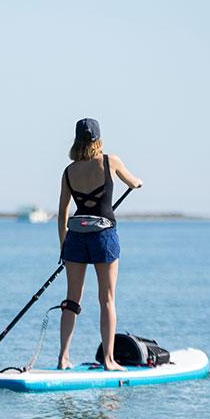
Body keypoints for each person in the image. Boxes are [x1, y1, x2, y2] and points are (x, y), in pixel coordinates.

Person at [57, 118, 142, 370]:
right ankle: (108, 360)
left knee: (72, 299)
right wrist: (138, 183)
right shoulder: (110, 161)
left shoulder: (69, 171)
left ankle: (63, 358)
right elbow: (133, 181)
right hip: (103, 236)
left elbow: (63, 211)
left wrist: (64, 244)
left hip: (75, 237)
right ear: (98, 140)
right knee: (106, 299)